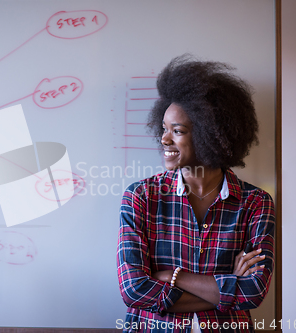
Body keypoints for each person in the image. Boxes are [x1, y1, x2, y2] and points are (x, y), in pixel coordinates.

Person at [117, 55, 275, 333]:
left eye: (177, 131)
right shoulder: (141, 196)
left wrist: (171, 276)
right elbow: (134, 290)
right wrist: (226, 289)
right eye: (164, 128)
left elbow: (253, 292)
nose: (164, 139)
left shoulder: (255, 203)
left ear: (211, 134)